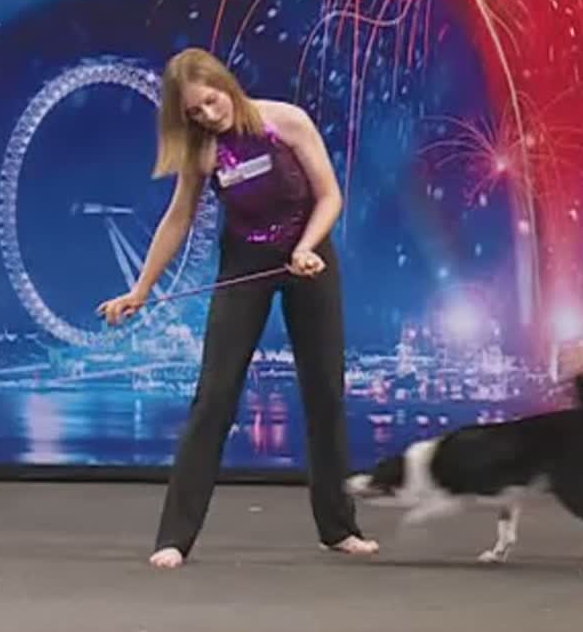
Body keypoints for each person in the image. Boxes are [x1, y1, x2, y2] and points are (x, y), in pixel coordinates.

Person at [97, 47, 379, 568]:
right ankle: (174, 538)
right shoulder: (203, 152)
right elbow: (178, 219)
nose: (208, 114)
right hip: (244, 263)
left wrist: (305, 249)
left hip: (309, 259)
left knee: (325, 394)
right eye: (194, 112)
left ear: (225, 84)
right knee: (214, 396)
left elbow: (330, 196)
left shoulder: (286, 121)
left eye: (211, 100)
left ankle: (339, 528)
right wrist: (141, 289)